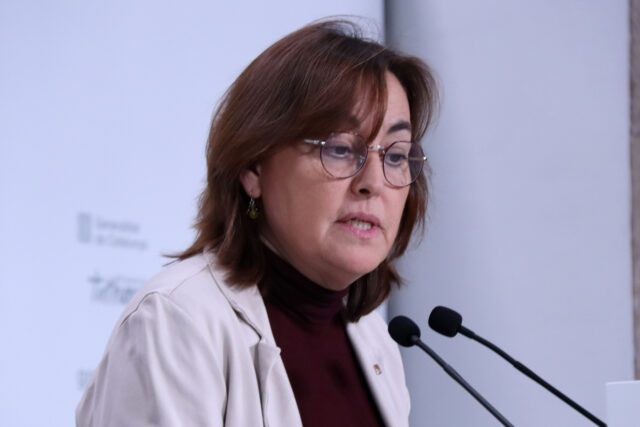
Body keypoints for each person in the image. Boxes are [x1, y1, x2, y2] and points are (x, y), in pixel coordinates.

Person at [76, 18, 438, 427]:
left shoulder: (375, 343)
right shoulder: (176, 321)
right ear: (253, 168)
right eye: (339, 148)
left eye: (395, 155)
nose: (372, 182)